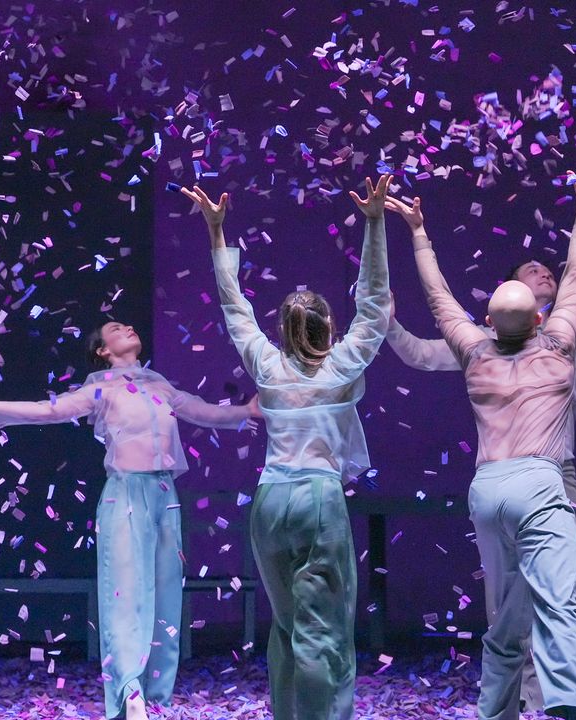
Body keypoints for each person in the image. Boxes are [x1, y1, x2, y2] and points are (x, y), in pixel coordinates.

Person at [383, 247, 576, 710]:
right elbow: (420, 352)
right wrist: (389, 324)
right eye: (529, 270)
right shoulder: (482, 343)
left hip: (556, 474)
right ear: (507, 294)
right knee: (515, 596)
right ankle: (530, 692)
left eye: (546, 268)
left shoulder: (565, 339)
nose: (542, 271)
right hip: (506, 476)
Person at [0, 318, 259, 718]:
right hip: (124, 495)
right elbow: (50, 410)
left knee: (165, 592)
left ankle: (156, 695)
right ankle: (130, 690)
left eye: (128, 325)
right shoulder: (101, 389)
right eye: (116, 328)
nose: (128, 327)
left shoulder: (160, 386)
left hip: (165, 496)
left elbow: (202, 411)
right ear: (103, 351)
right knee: (126, 594)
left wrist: (247, 411)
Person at [184, 177, 391, 720]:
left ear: (282, 328)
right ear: (329, 327)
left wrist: (216, 232)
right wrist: (374, 224)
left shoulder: (268, 366)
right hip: (317, 500)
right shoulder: (341, 365)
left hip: (270, 500)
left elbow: (234, 307)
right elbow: (374, 306)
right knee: (323, 632)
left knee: (286, 626)